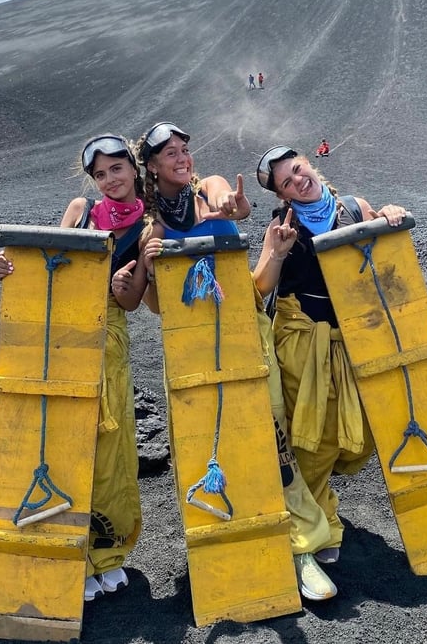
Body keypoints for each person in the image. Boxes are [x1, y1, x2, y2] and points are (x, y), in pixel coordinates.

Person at [138, 124, 339, 601]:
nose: (183, 158)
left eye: (185, 149)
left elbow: (236, 206)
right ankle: (231, 544)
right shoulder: (153, 227)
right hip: (193, 348)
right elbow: (156, 305)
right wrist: (149, 264)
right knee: (212, 446)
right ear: (151, 165)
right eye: (171, 153)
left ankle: (303, 548)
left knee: (274, 440)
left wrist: (234, 208)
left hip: (246, 331)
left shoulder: (208, 189)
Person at [0, 134, 148, 603]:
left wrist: (121, 282)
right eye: (100, 173)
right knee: (61, 438)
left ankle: (107, 552)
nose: (109, 180)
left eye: (116, 169)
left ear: (134, 168)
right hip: (59, 334)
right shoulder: (80, 210)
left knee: (110, 442)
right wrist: (9, 268)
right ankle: (68, 554)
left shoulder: (150, 224)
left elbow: (135, 300)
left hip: (109, 333)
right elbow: (51, 263)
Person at [253, 145, 408, 591]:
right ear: (282, 194)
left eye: (297, 169)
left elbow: (384, 253)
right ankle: (318, 528)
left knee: (358, 434)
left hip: (355, 340)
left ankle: (319, 506)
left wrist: (390, 213)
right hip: (304, 341)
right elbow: (260, 286)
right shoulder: (281, 227)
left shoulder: (355, 208)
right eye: (286, 181)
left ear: (310, 165)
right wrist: (279, 252)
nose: (298, 180)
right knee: (314, 435)